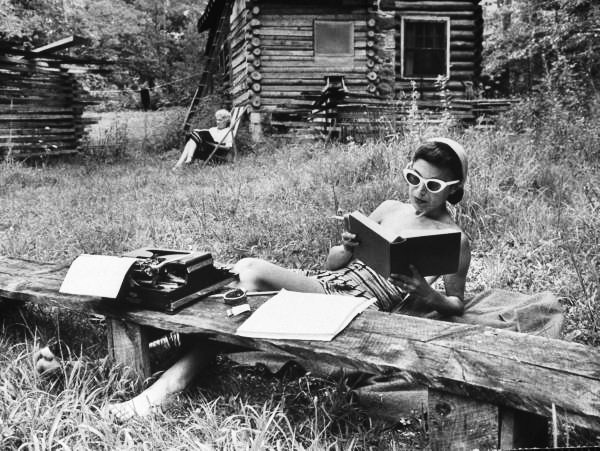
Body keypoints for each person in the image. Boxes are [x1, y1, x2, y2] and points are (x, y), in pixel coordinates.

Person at [107, 137, 471, 420]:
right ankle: (177, 365)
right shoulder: (390, 209)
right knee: (244, 283)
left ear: (454, 188)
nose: (419, 191)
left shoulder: (454, 239)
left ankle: (170, 381)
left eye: (433, 185)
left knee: (249, 272)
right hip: (330, 282)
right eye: (413, 178)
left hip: (362, 305)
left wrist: (428, 294)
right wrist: (347, 247)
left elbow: (456, 304)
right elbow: (332, 263)